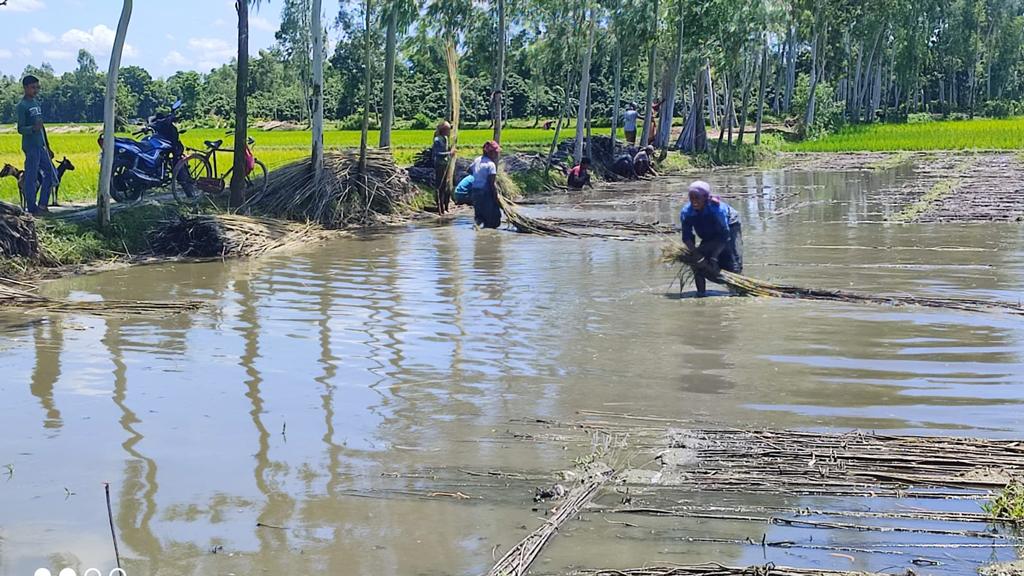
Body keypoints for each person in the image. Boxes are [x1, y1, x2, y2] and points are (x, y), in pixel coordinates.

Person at [680, 180, 743, 296]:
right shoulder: (687, 212)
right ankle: (701, 294)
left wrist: (714, 257)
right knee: (696, 262)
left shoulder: (717, 210)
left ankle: (736, 292)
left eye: (697, 198)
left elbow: (724, 235)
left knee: (732, 261)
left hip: (729, 225)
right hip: (707, 230)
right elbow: (687, 237)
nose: (694, 201)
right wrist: (696, 255)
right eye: (691, 197)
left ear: (705, 197)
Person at [16, 75, 56, 216]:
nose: (36, 90)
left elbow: (42, 127)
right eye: (33, 87)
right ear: (26, 88)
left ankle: (43, 204)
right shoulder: (22, 106)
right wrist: (33, 128)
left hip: (41, 145)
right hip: (31, 146)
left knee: (50, 173)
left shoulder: (36, 104)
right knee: (31, 177)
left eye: (37, 87)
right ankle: (32, 208)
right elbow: (20, 128)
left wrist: (48, 146)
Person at [470, 140, 502, 228]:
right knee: (493, 219)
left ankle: (477, 230)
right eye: (495, 153)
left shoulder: (477, 160)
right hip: (486, 193)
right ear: (491, 153)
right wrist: (496, 198)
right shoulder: (491, 165)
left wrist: (478, 175)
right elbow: (491, 184)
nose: (497, 155)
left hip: (475, 191)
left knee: (479, 216)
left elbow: (469, 170)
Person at [431, 121, 455, 212]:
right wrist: (449, 153)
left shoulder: (445, 138)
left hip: (445, 164)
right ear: (444, 130)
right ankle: (440, 207)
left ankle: (445, 206)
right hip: (440, 165)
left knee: (446, 186)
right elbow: (437, 153)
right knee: (440, 186)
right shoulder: (437, 140)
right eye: (448, 130)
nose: (449, 132)